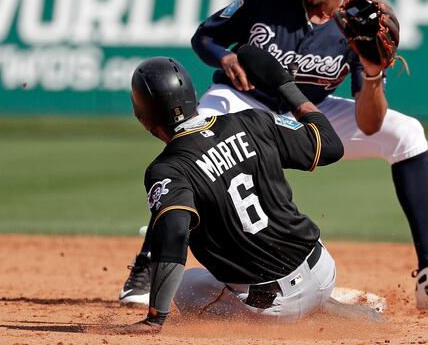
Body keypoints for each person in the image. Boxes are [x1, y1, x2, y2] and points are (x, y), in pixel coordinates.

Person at [120, 0, 428, 311]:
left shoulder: (356, 25)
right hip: (245, 101)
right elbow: (204, 37)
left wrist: (373, 72)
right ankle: (148, 263)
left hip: (308, 110)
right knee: (199, 134)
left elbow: (368, 124)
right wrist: (225, 57)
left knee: (408, 133)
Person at [109, 50, 343, 334]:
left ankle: (303, 310)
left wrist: (155, 319)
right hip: (323, 270)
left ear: (143, 116)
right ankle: (322, 304)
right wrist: (285, 86)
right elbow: (330, 146)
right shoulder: (252, 120)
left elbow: (174, 235)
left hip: (273, 307)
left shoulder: (169, 169)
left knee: (185, 287)